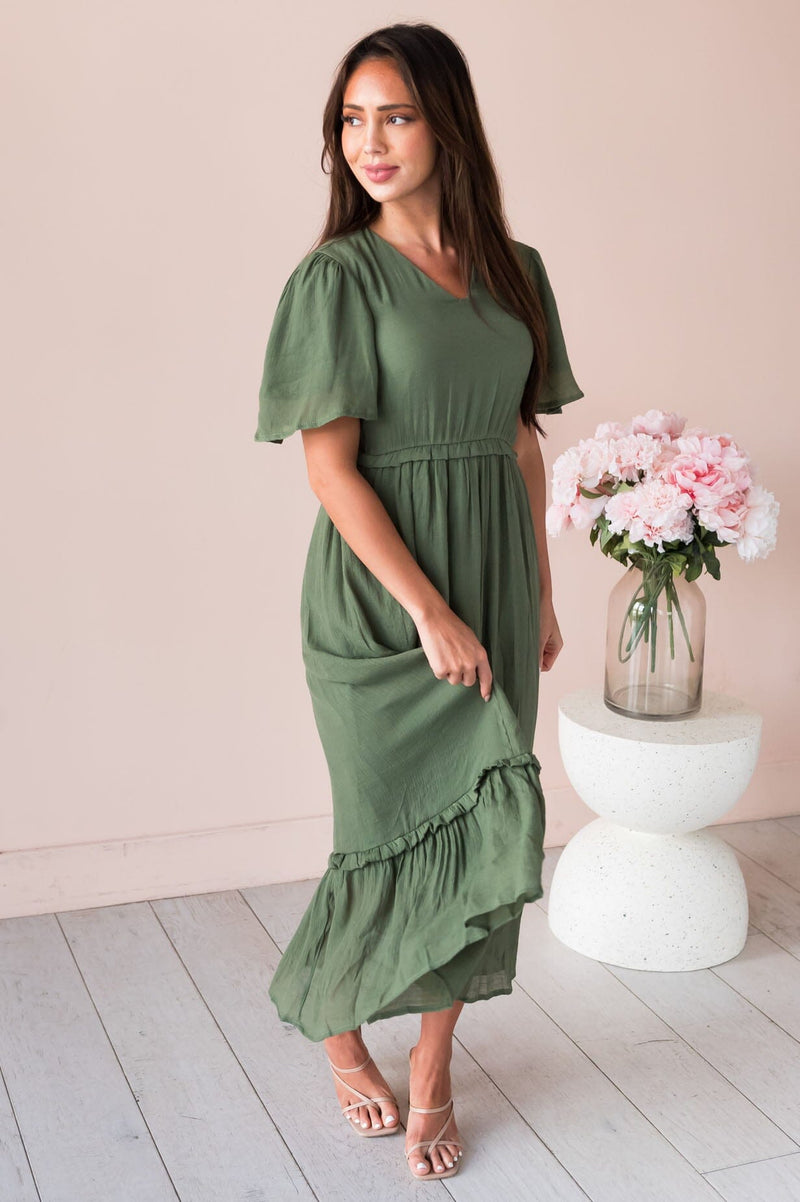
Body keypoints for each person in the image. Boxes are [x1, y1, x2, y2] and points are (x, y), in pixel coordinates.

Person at [254, 21, 584, 1182]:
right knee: (382, 830)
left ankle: (435, 1064)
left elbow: (520, 440)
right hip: (380, 595)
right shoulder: (336, 278)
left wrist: (537, 589)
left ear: (446, 123)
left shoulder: (514, 270)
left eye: (393, 114)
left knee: (487, 823)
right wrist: (428, 612)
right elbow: (329, 468)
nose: (369, 141)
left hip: (492, 579)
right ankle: (339, 1025)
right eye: (350, 119)